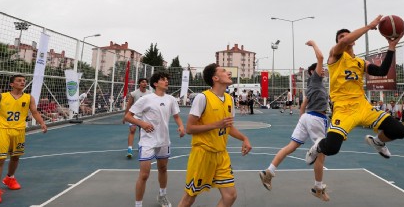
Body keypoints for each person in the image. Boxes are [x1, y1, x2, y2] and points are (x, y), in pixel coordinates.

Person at [305, 15, 404, 165]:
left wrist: (391, 47)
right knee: (332, 148)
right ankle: (318, 146)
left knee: (399, 131)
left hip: (363, 107)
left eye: (348, 36)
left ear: (354, 40)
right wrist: (369, 26)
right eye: (341, 37)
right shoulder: (335, 56)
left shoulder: (360, 62)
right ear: (338, 42)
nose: (345, 38)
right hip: (343, 109)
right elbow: (345, 41)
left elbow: (382, 71)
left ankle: (378, 142)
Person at [260, 40, 330, 201]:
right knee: (321, 154)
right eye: (321, 69)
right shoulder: (316, 80)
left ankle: (268, 172)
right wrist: (313, 44)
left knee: (291, 146)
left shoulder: (313, 85)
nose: (324, 71)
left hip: (307, 117)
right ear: (313, 72)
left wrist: (303, 119)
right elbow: (320, 56)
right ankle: (318, 188)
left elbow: (304, 103)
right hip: (317, 118)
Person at [177, 63, 252, 207]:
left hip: (221, 155)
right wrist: (216, 125)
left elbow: (228, 127)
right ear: (215, 78)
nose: (228, 73)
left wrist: (244, 138)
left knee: (230, 196)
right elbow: (190, 128)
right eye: (224, 71)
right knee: (190, 197)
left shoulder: (229, 99)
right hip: (203, 154)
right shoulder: (203, 98)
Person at [0, 75, 47, 205]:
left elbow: (34, 112)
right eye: (19, 80)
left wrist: (42, 123)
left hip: (19, 130)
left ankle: (9, 178)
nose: (22, 82)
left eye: (23, 81)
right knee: (0, 159)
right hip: (2, 129)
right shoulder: (1, 97)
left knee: (16, 157)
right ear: (11, 84)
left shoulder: (28, 98)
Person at [124, 72, 185, 207]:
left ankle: (162, 195)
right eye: (163, 80)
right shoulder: (146, 99)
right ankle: (138, 204)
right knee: (144, 175)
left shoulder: (171, 99)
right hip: (148, 141)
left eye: (167, 79)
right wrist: (142, 124)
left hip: (164, 140)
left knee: (163, 168)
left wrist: (181, 126)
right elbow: (128, 116)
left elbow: (176, 116)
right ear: (156, 83)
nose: (166, 81)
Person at [125, 78, 150, 158]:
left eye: (146, 82)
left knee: (142, 132)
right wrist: (126, 116)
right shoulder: (134, 93)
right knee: (132, 130)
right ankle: (129, 149)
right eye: (143, 82)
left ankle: (140, 146)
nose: (144, 83)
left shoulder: (150, 94)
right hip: (134, 115)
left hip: (144, 116)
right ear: (139, 84)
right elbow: (129, 105)